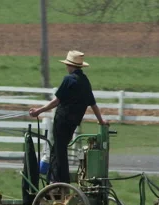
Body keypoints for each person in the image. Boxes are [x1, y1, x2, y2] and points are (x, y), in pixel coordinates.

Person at [29, 50, 108, 184]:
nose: (66, 67)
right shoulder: (85, 81)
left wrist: (39, 111)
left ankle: (61, 181)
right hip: (73, 123)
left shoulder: (68, 80)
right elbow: (93, 104)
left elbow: (56, 101)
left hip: (62, 120)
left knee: (59, 151)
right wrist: (101, 121)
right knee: (58, 148)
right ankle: (53, 177)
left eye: (67, 65)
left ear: (71, 66)